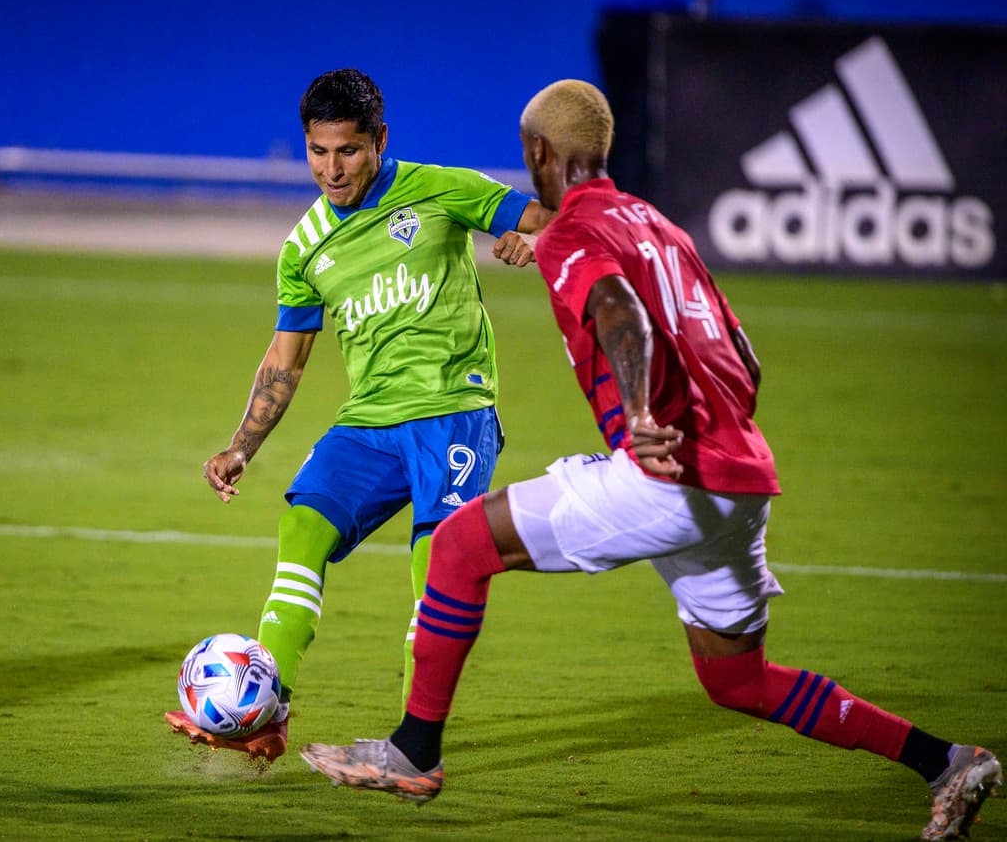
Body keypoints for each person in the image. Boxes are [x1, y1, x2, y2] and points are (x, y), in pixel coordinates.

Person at [299, 80, 1000, 840]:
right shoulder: (660, 225)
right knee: (739, 680)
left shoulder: (573, 232)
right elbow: (744, 356)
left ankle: (414, 752)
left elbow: (618, 312)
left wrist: (637, 415)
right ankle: (948, 760)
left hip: (665, 471)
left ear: (539, 152)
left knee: (461, 546)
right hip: (740, 479)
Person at [164, 69, 550, 762]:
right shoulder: (305, 245)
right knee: (302, 523)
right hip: (370, 420)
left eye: (347, 151)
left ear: (380, 141)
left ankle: (413, 746)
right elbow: (287, 357)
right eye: (317, 152)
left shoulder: (439, 187)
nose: (331, 169)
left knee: (437, 569)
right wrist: (241, 445)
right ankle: (265, 707)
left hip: (453, 412)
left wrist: (538, 240)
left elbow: (555, 222)